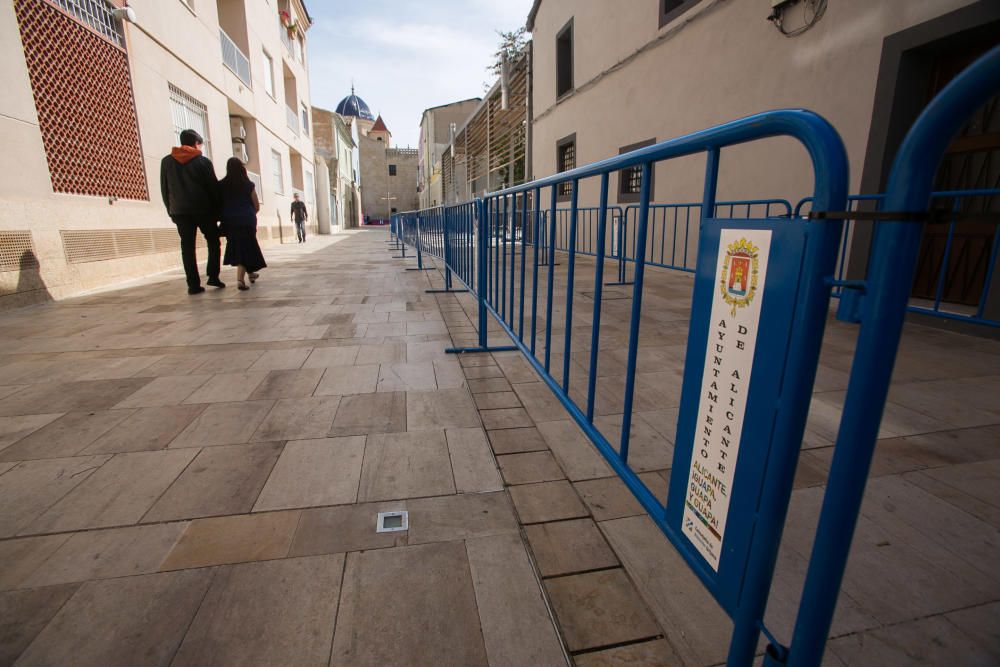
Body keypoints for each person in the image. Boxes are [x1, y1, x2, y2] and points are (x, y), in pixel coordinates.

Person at [160, 129, 224, 294]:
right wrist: (218, 212)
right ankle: (213, 275)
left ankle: (193, 284)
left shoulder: (167, 162)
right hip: (204, 210)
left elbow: (164, 189)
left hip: (180, 211)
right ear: (196, 143)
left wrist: (171, 210)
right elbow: (213, 188)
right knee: (213, 241)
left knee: (187, 247)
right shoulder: (202, 162)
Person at [219, 158, 266, 291]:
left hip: (230, 222)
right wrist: (249, 214)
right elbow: (256, 205)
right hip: (246, 220)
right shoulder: (248, 185)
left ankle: (250, 274)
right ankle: (240, 279)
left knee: (241, 247)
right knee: (246, 248)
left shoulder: (221, 185)